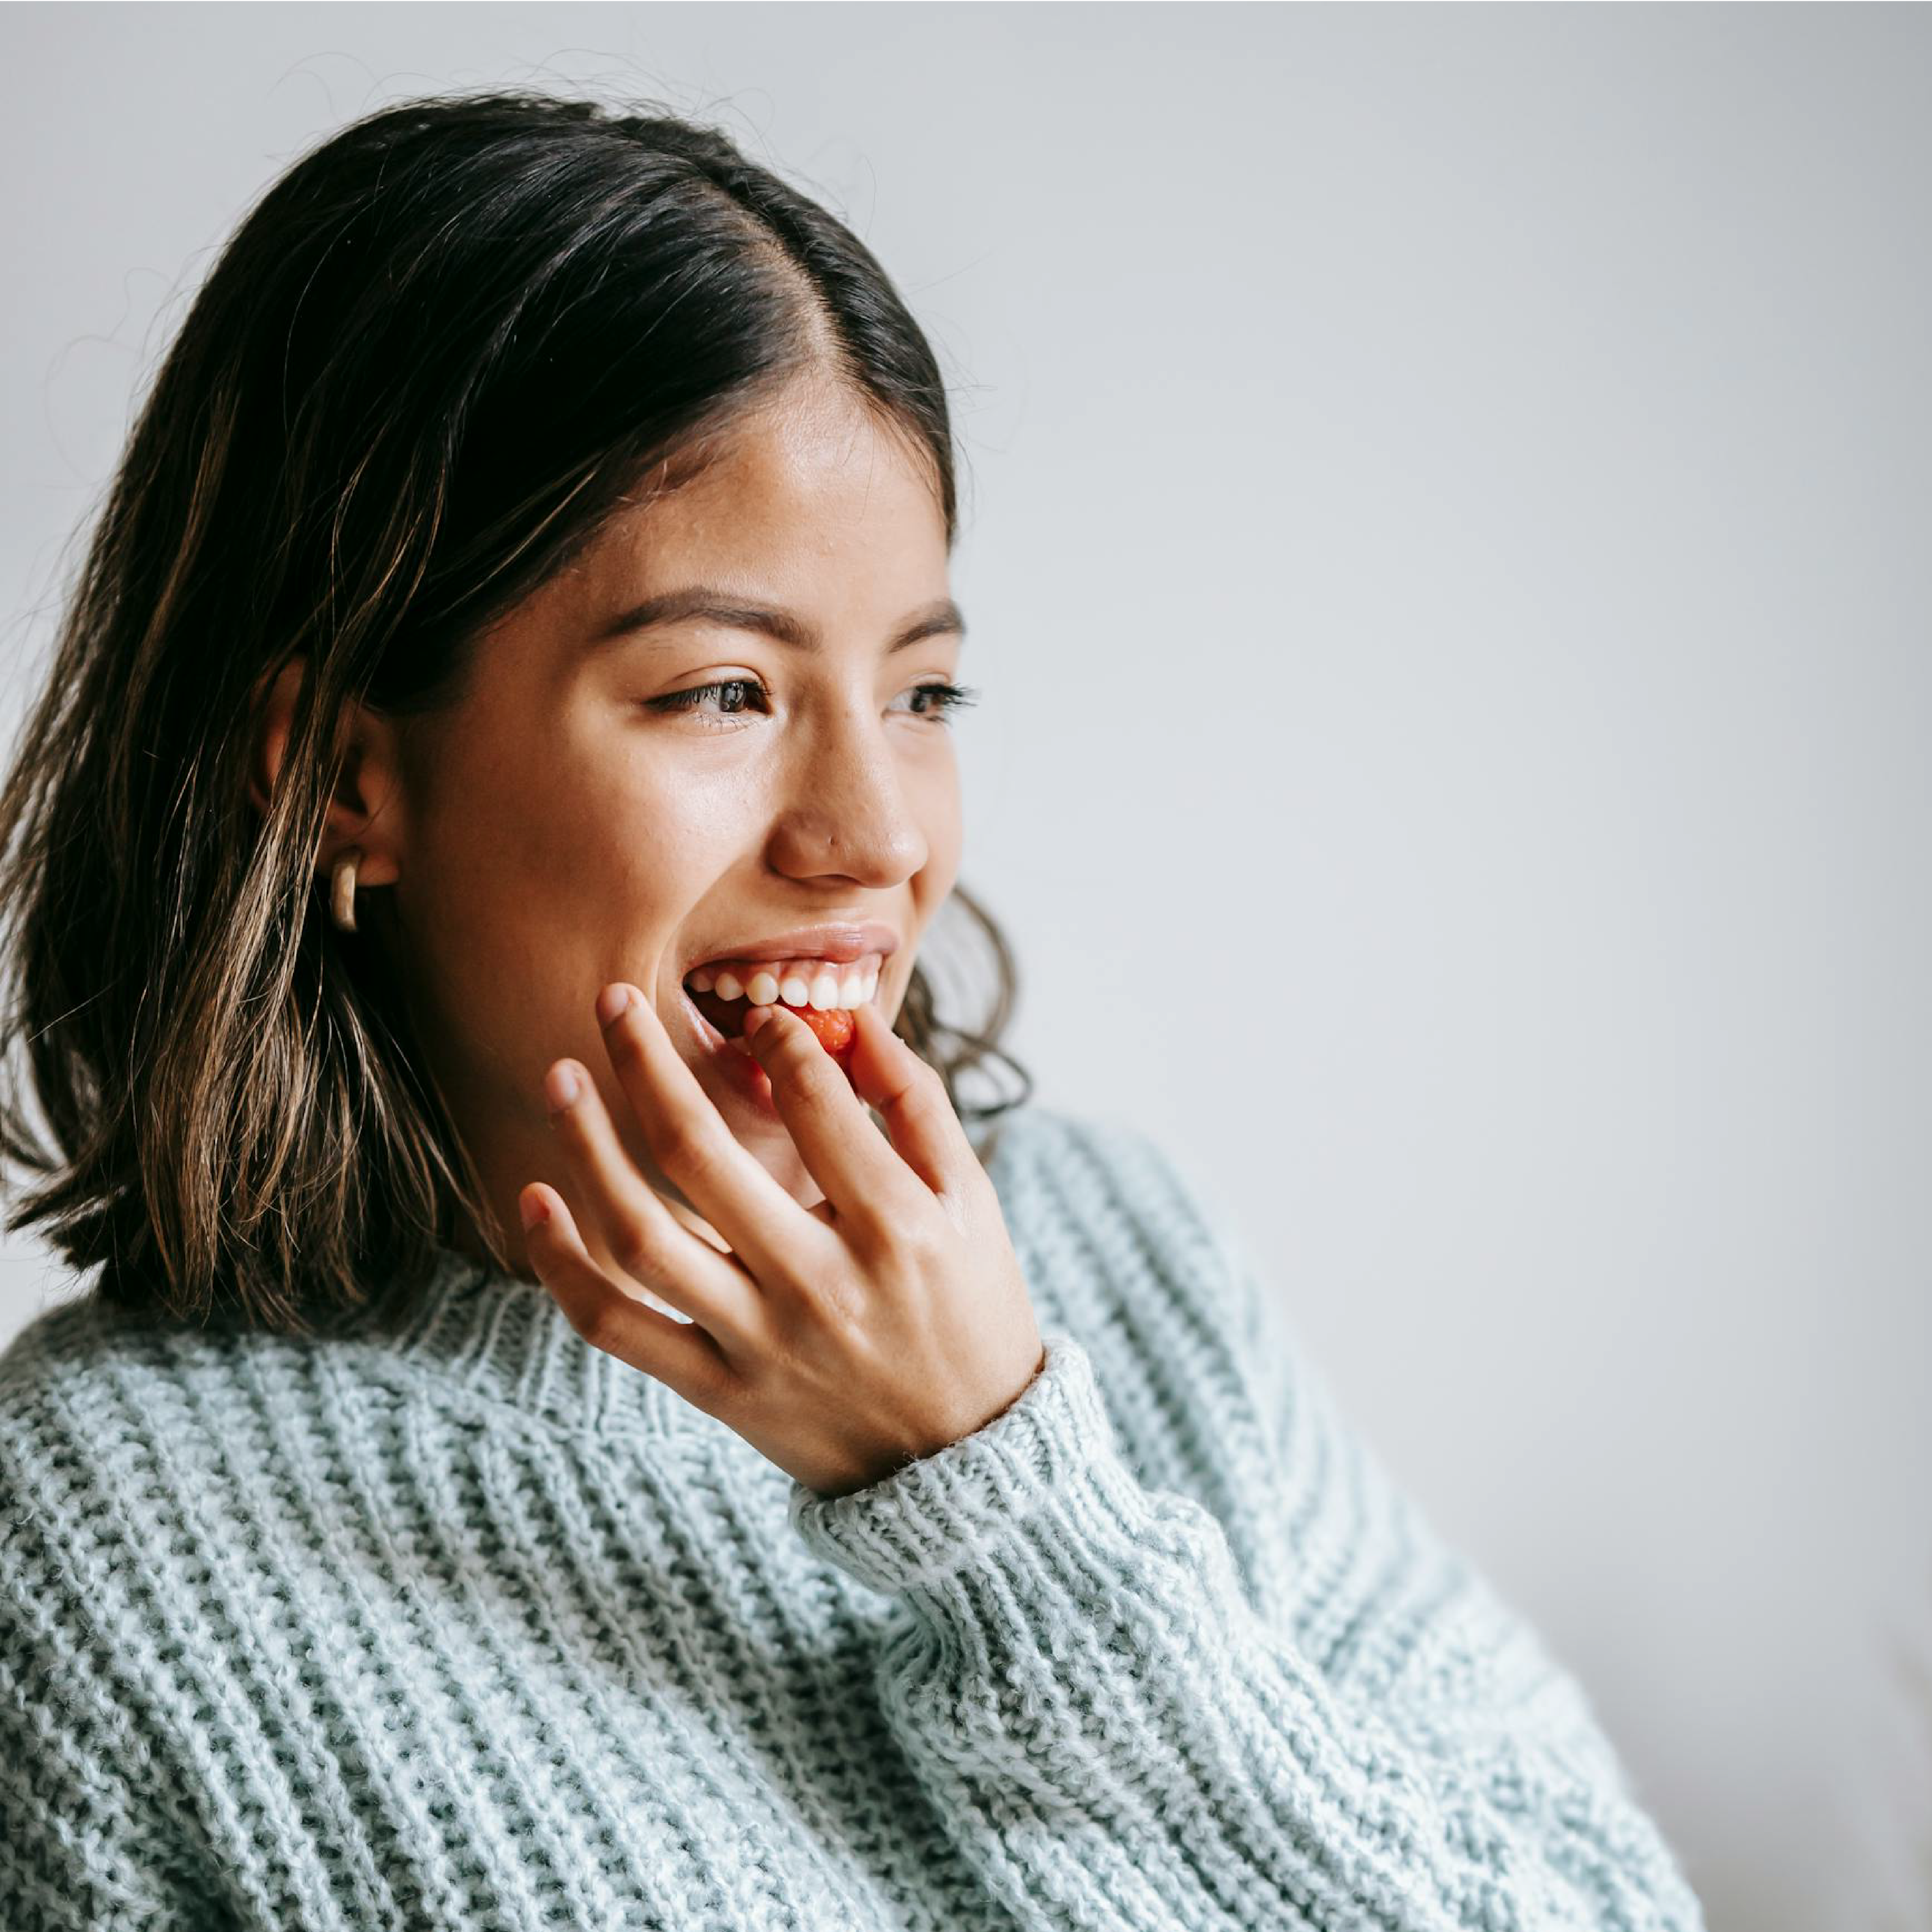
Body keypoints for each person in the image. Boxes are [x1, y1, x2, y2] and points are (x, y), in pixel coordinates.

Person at [0, 89, 1708, 1931]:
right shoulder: (91, 1541)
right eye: (724, 692)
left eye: (924, 694)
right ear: (346, 774)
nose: (876, 837)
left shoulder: (1118, 1268)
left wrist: (1002, 1499)